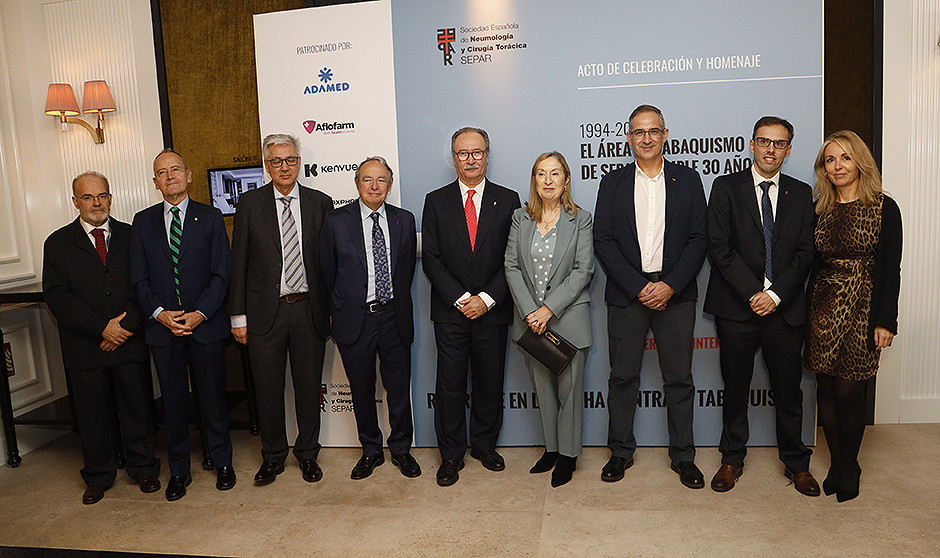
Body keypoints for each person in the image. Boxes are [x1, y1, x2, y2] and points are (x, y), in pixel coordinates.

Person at [593, 104, 707, 489]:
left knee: (679, 377)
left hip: (676, 293)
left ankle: (683, 457)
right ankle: (620, 452)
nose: (646, 138)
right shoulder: (613, 182)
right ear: (628, 138)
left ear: (665, 135)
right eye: (638, 132)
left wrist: (669, 285)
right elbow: (603, 241)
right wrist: (639, 286)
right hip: (628, 294)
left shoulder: (688, 180)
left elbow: (698, 239)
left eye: (653, 131)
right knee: (623, 376)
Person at [705, 116, 819, 496]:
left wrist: (774, 295)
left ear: (788, 149)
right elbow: (719, 247)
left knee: (789, 391)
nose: (771, 149)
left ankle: (796, 463)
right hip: (737, 307)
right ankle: (731, 459)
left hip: (783, 310)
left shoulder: (802, 194)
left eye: (780, 143)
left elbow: (805, 253)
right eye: (764, 141)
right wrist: (754, 291)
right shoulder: (725, 188)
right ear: (751, 145)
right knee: (735, 387)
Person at [42, 171, 161, 505]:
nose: (97, 203)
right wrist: (101, 328)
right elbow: (57, 296)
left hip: (129, 340)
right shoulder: (57, 242)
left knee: (137, 409)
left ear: (111, 197)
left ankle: (143, 468)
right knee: (92, 415)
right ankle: (98, 475)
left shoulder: (131, 235)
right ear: (75, 201)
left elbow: (146, 286)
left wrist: (124, 327)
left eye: (102, 196)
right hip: (86, 346)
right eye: (88, 197)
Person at [129, 149, 235, 501]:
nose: (170, 175)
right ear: (155, 181)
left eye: (176, 169)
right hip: (163, 330)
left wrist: (200, 312)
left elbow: (222, 273)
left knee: (213, 398)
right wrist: (160, 314)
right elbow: (138, 280)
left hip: (204, 325)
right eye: (162, 171)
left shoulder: (211, 217)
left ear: (188, 175)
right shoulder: (142, 223)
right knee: (173, 404)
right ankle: (179, 471)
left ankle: (222, 462)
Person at [804, 130, 902, 502]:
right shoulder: (821, 208)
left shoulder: (883, 207)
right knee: (826, 388)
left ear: (859, 161)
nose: (838, 166)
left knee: (849, 388)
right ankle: (839, 463)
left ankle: (849, 465)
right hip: (824, 306)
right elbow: (813, 265)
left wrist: (885, 320)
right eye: (830, 160)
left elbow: (890, 267)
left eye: (845, 157)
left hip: (864, 306)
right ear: (824, 168)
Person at [228, 134, 332, 485]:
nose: (284, 167)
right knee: (268, 389)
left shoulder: (321, 203)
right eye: (276, 161)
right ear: (266, 165)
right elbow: (238, 262)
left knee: (307, 387)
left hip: (308, 311)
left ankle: (307, 454)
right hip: (263, 314)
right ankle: (272, 456)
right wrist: (237, 316)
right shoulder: (249, 204)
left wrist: (332, 310)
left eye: (290, 160)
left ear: (299, 162)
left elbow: (330, 264)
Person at [422, 126, 521, 486]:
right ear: (454, 158)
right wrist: (464, 300)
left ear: (487, 155)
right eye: (463, 153)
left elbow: (512, 258)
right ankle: (451, 456)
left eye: (476, 152)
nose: (470, 159)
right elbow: (431, 259)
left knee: (489, 382)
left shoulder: (508, 200)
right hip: (451, 311)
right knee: (449, 386)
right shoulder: (436, 200)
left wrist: (487, 299)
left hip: (492, 311)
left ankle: (484, 445)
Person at [319, 156, 420, 480]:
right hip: (355, 321)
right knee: (361, 391)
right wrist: (336, 314)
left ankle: (401, 450)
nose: (374, 186)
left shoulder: (404, 220)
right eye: (367, 179)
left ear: (389, 185)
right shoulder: (336, 221)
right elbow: (326, 272)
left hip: (393, 318)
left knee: (398, 390)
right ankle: (371, 451)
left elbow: (406, 272)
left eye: (381, 180)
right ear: (357, 183)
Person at [504, 152, 594, 488]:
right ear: (534, 180)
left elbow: (583, 270)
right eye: (541, 174)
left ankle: (569, 456)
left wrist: (548, 310)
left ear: (566, 180)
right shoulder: (520, 218)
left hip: (567, 319)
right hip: (531, 322)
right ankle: (552, 449)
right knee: (542, 389)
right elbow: (511, 266)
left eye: (555, 174)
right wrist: (531, 312)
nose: (548, 180)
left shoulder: (580, 219)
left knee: (570, 394)